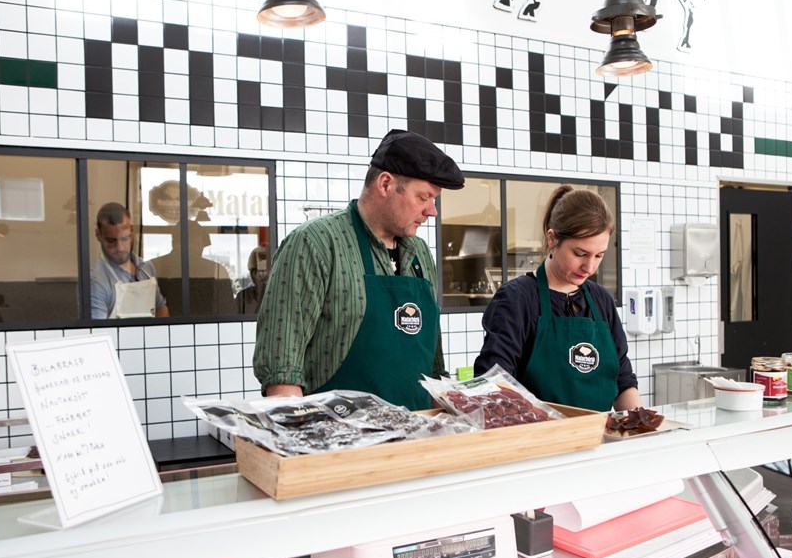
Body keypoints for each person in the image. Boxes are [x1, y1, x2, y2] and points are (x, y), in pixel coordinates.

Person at [253, 129, 465, 410]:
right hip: (339, 431)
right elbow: (282, 370)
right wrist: (300, 429)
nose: (432, 211)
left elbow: (434, 367)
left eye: (434, 200)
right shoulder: (316, 243)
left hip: (418, 429)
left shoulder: (420, 254)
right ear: (386, 184)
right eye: (423, 197)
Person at [474, 185, 641, 412]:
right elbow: (494, 383)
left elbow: (623, 380)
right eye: (580, 254)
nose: (589, 267)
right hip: (538, 433)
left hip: (599, 433)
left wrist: (641, 423)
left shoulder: (601, 300)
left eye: (599, 256)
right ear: (552, 239)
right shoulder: (517, 298)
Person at [90, 202, 169, 319]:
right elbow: (98, 328)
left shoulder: (146, 267)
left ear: (132, 231)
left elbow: (160, 308)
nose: (120, 248)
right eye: (111, 241)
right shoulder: (96, 280)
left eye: (125, 238)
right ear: (98, 235)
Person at [237, 246, 269, 314]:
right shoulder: (243, 296)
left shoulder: (279, 294)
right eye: (259, 271)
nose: (262, 274)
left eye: (264, 271)